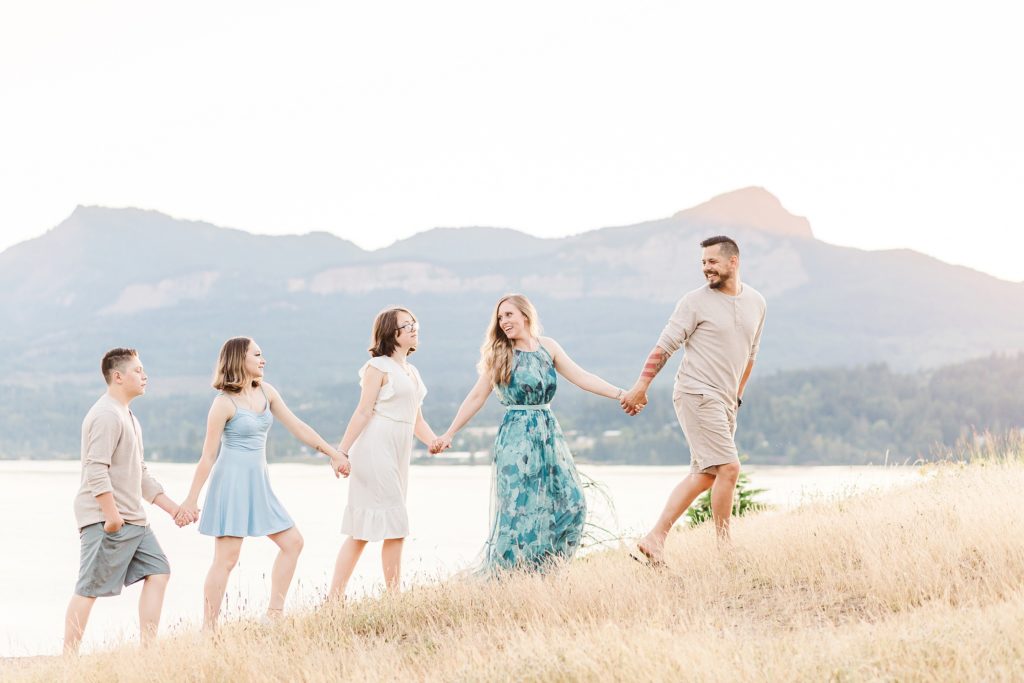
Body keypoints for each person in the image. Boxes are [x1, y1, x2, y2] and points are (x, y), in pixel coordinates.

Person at [431, 294, 625, 573]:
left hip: (549, 434)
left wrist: (621, 394)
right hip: (517, 437)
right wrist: (449, 433)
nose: (504, 322)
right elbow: (476, 397)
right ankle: (511, 576)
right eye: (500, 318)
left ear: (525, 315)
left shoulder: (549, 347)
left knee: (572, 502)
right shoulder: (499, 354)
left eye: (508, 315)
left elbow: (582, 377)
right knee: (520, 511)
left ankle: (547, 570)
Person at [176, 337, 349, 629]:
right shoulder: (223, 404)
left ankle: (274, 615)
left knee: (293, 543)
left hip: (259, 484)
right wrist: (191, 500)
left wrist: (334, 454)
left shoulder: (267, 393)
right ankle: (209, 630)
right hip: (231, 484)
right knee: (227, 560)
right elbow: (207, 457)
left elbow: (298, 427)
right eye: (256, 354)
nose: (262, 359)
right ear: (238, 360)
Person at [621, 235, 766, 563]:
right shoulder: (693, 302)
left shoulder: (757, 302)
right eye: (703, 263)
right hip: (696, 393)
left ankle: (655, 538)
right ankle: (725, 550)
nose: (706, 268)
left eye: (712, 262)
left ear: (733, 262)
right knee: (729, 468)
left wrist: (737, 398)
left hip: (726, 401)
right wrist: (641, 386)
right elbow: (664, 346)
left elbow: (751, 355)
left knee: (705, 474)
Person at [64, 348, 195, 655]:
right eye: (138, 370)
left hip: (134, 520)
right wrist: (110, 517)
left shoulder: (128, 416)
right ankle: (68, 660)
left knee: (159, 571)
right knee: (88, 589)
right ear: (118, 376)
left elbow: (140, 474)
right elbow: (96, 469)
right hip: (106, 520)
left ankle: (146, 652)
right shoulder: (106, 414)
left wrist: (174, 509)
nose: (145, 375)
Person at [329, 307, 437, 597]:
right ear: (392, 331)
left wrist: (433, 441)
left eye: (415, 323)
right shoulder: (377, 366)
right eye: (407, 324)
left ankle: (339, 599)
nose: (414, 328)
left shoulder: (411, 372)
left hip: (399, 452)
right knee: (389, 524)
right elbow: (363, 411)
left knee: (372, 528)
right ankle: (389, 597)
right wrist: (342, 452)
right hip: (376, 448)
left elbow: (416, 419)